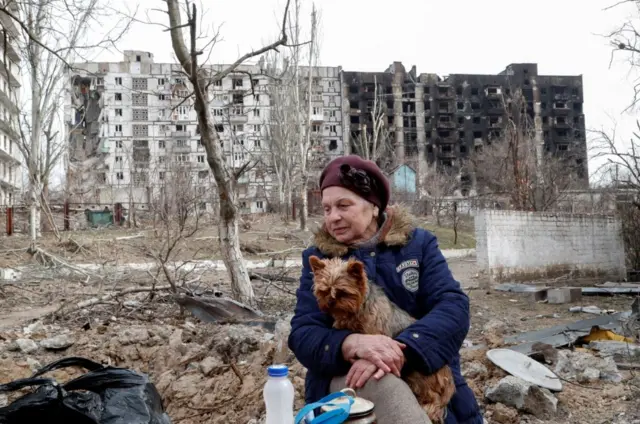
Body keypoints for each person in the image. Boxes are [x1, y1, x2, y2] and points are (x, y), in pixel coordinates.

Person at [288, 155, 483, 424]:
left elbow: (453, 308)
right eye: (326, 208)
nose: (333, 217)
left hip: (423, 366)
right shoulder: (318, 259)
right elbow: (303, 333)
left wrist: (401, 350)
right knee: (388, 392)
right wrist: (350, 344)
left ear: (374, 206)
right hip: (346, 372)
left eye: (344, 205)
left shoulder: (418, 245)